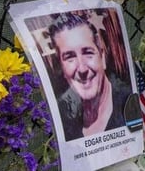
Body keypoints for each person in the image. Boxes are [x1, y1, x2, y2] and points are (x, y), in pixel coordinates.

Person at [48, 13, 132, 141]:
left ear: (102, 57)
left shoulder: (130, 101)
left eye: (88, 53)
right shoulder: (61, 120)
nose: (82, 69)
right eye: (70, 57)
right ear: (62, 68)